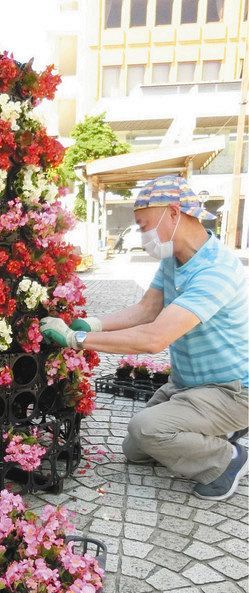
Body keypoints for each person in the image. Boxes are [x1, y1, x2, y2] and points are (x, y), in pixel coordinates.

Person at [40, 175, 248, 502]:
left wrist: (75, 338)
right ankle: (211, 427)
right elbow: (147, 309)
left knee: (147, 430)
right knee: (135, 449)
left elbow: (154, 337)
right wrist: (92, 323)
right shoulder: (174, 259)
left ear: (175, 213)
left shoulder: (215, 271)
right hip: (188, 385)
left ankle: (225, 460)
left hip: (231, 390)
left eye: (144, 225)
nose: (142, 235)